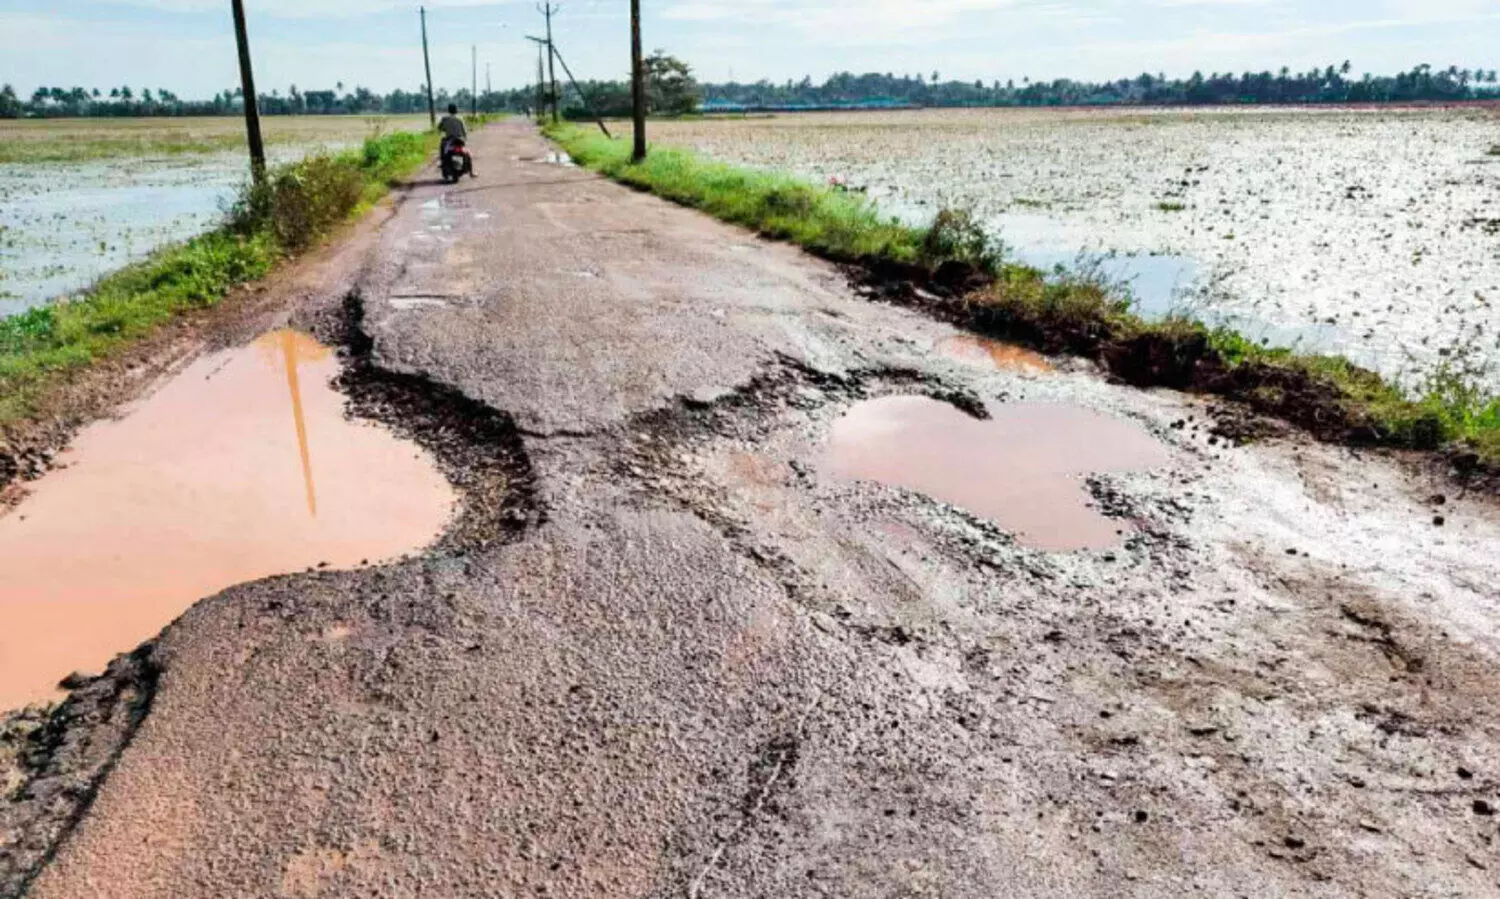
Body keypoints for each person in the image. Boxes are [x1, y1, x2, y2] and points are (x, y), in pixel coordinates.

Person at [437, 104, 473, 176]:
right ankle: (471, 172)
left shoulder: (444, 119)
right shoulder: (460, 119)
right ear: (456, 110)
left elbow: (439, 128)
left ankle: (442, 162)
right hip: (459, 140)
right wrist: (465, 138)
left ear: (448, 110)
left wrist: (445, 129)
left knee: (442, 148)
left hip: (449, 139)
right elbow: (464, 131)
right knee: (468, 154)